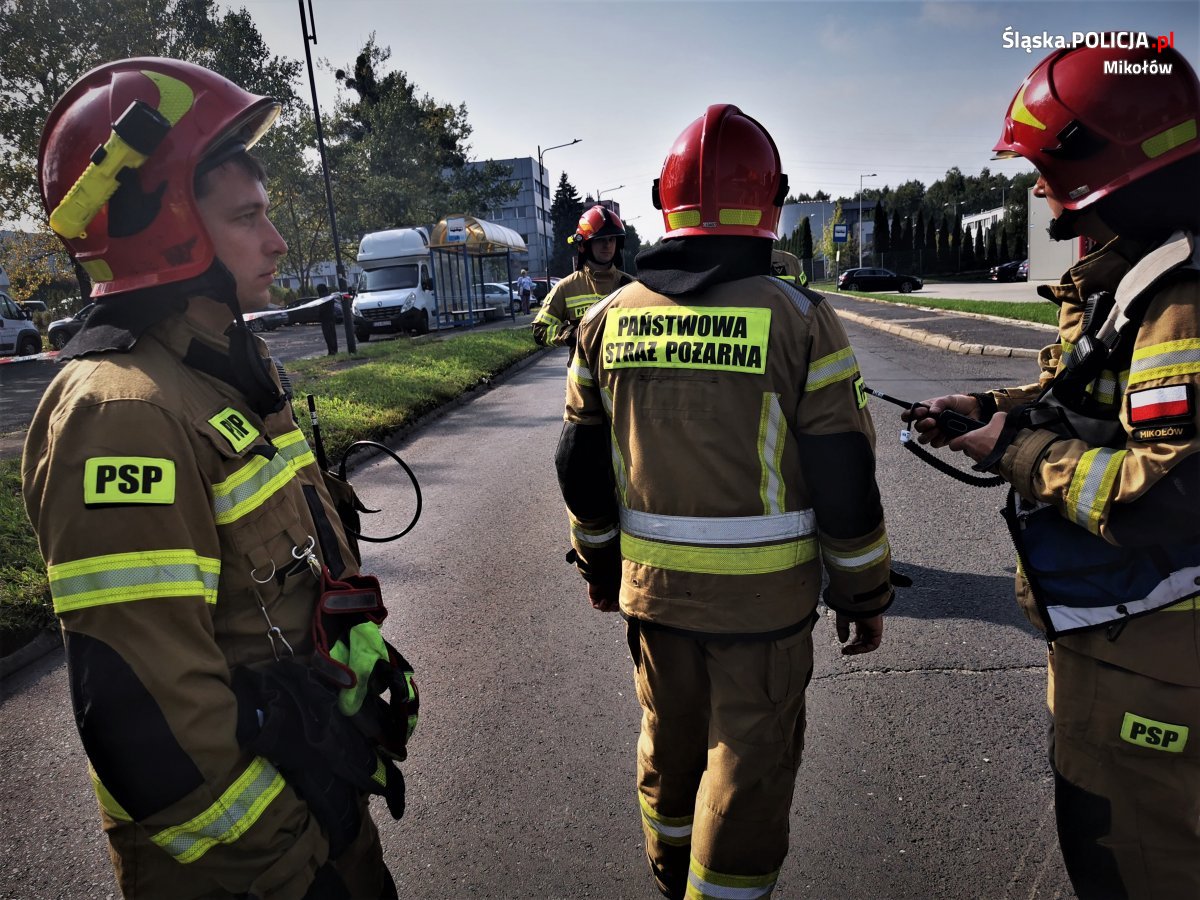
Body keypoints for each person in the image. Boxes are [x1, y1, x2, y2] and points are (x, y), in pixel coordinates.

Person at [24, 58, 415, 899]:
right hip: (248, 864)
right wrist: (287, 865)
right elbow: (146, 712)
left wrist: (358, 654)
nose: (277, 241)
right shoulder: (122, 413)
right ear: (166, 230)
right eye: (248, 218)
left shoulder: (226, 366)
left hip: (316, 813)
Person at [556, 104, 899, 899]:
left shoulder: (608, 319)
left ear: (661, 200)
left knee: (669, 757)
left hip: (653, 599)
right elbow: (844, 474)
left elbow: (580, 462)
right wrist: (864, 593)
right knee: (744, 778)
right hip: (764, 610)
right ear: (771, 200)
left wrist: (599, 568)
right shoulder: (801, 318)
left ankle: (669, 878)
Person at [905, 42, 1200, 899]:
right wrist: (992, 403)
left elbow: (1172, 497)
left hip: (1161, 651)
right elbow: (1089, 394)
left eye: (1044, 166)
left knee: (1138, 864)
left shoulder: (1182, 298)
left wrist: (1013, 451)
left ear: (1102, 165)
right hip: (1126, 631)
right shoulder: (1139, 279)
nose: (1038, 188)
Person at [532, 204, 633, 354]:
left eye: (612, 239)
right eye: (600, 239)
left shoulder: (631, 285)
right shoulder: (566, 287)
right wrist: (573, 334)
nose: (607, 245)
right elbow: (540, 330)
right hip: (584, 376)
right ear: (583, 245)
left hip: (621, 376)